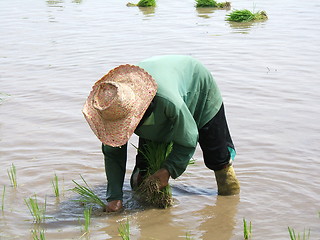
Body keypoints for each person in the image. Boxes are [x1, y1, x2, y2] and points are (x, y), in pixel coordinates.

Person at [82, 55, 240, 212]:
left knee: (217, 157)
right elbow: (113, 155)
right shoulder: (113, 108)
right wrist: (114, 198)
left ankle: (229, 205)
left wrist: (168, 170)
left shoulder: (168, 102)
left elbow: (189, 138)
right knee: (144, 172)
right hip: (158, 100)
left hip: (197, 86)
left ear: (137, 114)